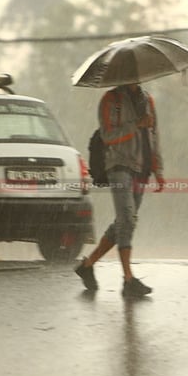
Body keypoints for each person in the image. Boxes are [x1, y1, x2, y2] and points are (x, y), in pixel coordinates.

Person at [74, 82, 166, 297]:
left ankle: (87, 265)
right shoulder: (110, 100)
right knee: (127, 218)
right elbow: (108, 136)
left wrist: (158, 169)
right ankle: (128, 279)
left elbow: (155, 137)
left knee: (125, 221)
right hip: (119, 166)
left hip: (142, 169)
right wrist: (137, 124)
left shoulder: (148, 100)